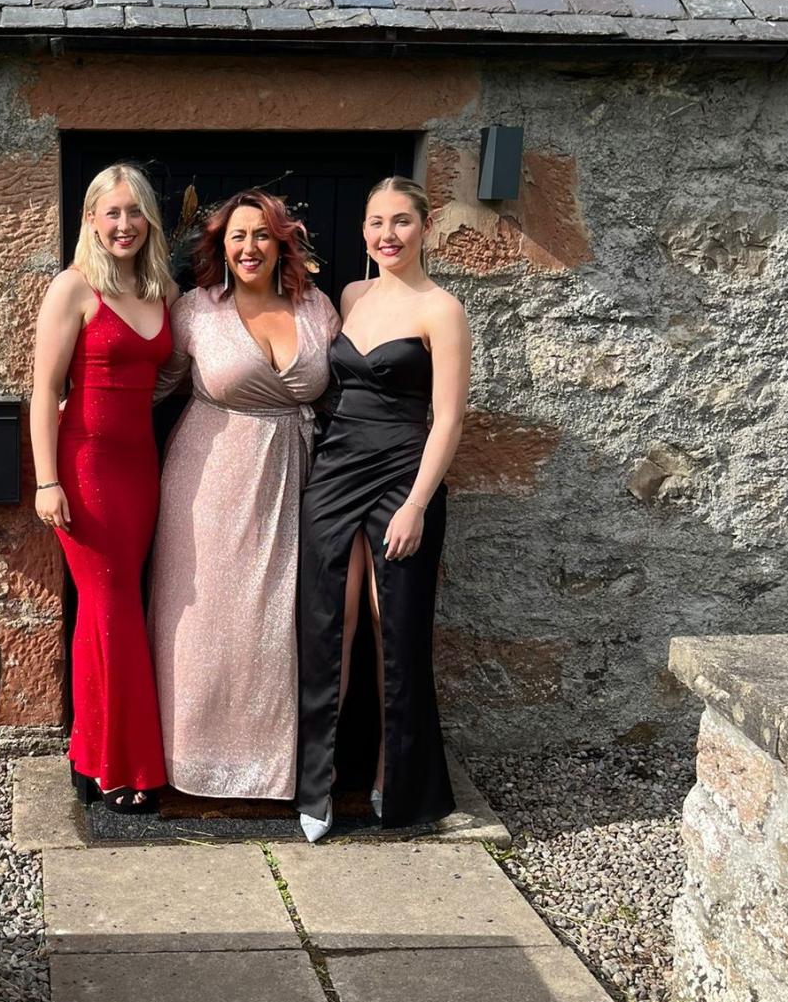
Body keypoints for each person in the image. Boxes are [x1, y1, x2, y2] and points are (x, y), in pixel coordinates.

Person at [295, 176, 470, 842]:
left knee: (390, 623)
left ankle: (393, 777)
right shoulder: (352, 295)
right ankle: (317, 785)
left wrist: (418, 504)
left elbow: (449, 418)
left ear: (426, 228)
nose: (387, 234)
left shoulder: (442, 309)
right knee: (327, 626)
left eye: (401, 221)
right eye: (376, 222)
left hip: (405, 473)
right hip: (337, 472)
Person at [150, 190, 340, 801]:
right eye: (237, 236)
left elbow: (349, 394)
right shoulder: (196, 311)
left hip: (295, 479)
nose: (249, 247)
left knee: (275, 624)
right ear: (220, 246)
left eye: (262, 235)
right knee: (204, 623)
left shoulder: (318, 309)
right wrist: (83, 417)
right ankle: (190, 761)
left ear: (283, 241)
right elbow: (158, 386)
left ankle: (271, 770)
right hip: (206, 482)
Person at [30, 163, 177, 812]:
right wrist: (46, 479)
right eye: (111, 212)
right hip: (85, 466)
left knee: (110, 606)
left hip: (140, 467)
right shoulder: (73, 288)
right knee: (109, 603)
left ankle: (91, 754)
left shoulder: (158, 290)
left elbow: (169, 371)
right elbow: (42, 391)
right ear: (92, 218)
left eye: (135, 211)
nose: (124, 224)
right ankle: (117, 763)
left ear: (149, 221)